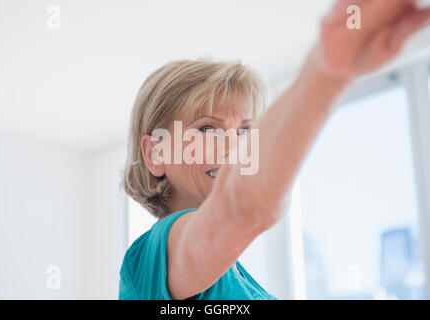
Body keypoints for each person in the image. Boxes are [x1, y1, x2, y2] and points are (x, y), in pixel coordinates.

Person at [119, 0, 430, 300]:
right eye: (207, 129)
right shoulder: (150, 256)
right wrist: (329, 73)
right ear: (156, 154)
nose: (237, 147)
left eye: (245, 131)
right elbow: (246, 206)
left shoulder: (233, 274)